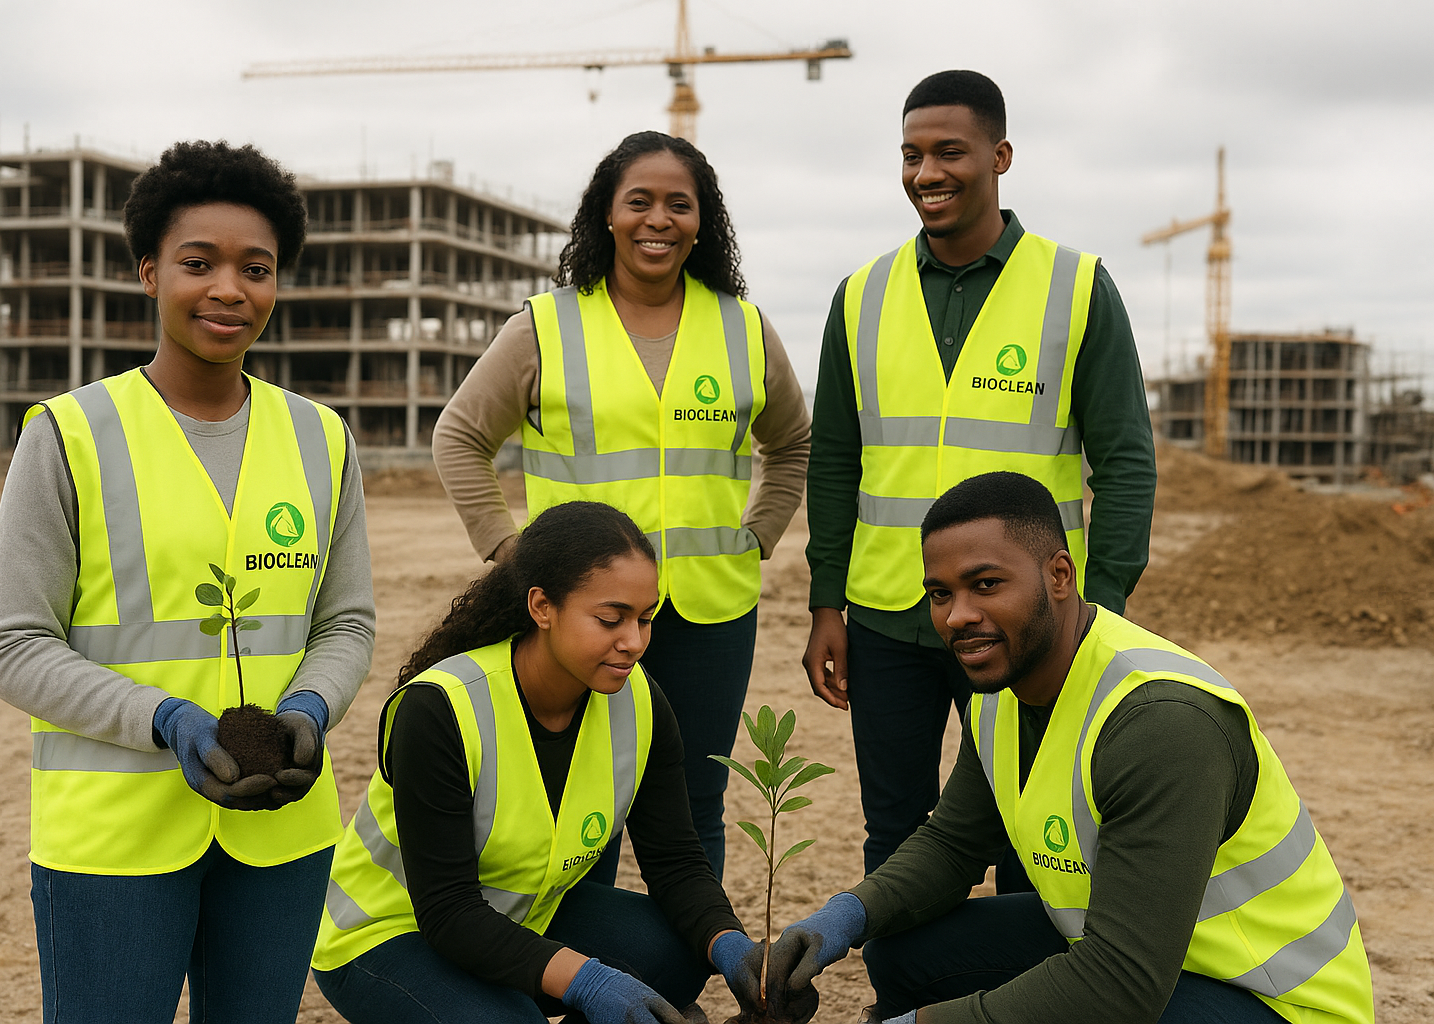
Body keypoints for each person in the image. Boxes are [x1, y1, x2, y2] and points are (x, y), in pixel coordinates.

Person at [0, 140, 376, 1023]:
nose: (229, 289)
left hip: (281, 830)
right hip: (113, 843)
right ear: (149, 272)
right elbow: (12, 645)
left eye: (256, 268)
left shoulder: (323, 440)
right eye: (199, 263)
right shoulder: (69, 434)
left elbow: (345, 622)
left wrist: (311, 709)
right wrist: (165, 720)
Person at [768, 471, 1374, 1023]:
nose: (957, 616)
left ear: (1060, 575)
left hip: (1270, 999)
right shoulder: (1002, 685)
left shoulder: (1160, 721)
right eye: (942, 593)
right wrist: (841, 919)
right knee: (905, 955)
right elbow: (953, 845)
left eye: (985, 584)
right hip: (1149, 955)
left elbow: (1120, 986)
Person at [801, 69, 1157, 890]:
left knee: (1034, 834)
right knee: (895, 832)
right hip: (888, 618)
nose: (927, 173)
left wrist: (1099, 601)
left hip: (1027, 619)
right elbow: (834, 461)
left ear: (999, 156)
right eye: (912, 154)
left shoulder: (1075, 290)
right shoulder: (858, 298)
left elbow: (1127, 461)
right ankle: (905, 1005)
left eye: (949, 152)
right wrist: (827, 601)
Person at [433, 130, 810, 881]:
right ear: (607, 214)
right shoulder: (544, 327)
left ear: (703, 222)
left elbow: (794, 442)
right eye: (639, 201)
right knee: (583, 808)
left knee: (696, 804)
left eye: (680, 204)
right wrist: (514, 557)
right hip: (581, 616)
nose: (658, 219)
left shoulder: (743, 329)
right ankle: (590, 989)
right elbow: (460, 436)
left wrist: (758, 537)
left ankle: (690, 976)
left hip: (711, 614)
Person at [311, 500, 783, 1024]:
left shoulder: (641, 703)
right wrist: (589, 980)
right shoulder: (440, 708)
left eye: (646, 619)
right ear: (542, 606)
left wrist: (734, 950)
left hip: (523, 913)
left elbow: (676, 861)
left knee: (678, 956)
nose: (634, 643)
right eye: (610, 619)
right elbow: (449, 913)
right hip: (392, 932)